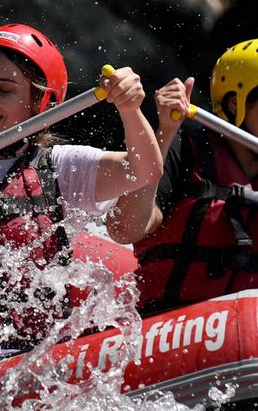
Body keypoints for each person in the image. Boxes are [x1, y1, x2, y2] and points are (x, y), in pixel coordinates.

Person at [0, 24, 163, 380]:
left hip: (32, 367)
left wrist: (130, 108)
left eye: (5, 90)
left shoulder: (60, 168)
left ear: (41, 104)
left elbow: (144, 169)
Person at [106, 39, 258, 315]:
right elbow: (124, 229)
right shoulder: (187, 152)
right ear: (236, 104)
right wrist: (165, 131)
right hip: (171, 326)